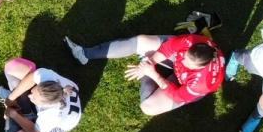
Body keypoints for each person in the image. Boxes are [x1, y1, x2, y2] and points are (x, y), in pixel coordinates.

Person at [64, 32, 225, 116]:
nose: (181, 61)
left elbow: (177, 95)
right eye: (185, 56)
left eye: (188, 64)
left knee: (148, 107)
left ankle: (148, 69)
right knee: (141, 41)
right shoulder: (192, 41)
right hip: (183, 70)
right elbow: (168, 48)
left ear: (200, 67)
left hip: (182, 86)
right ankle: (85, 54)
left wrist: (152, 73)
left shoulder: (202, 83)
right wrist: (150, 62)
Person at [0, 58, 82, 132]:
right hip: (51, 110)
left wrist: (12, 114)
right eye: (32, 91)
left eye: (34, 98)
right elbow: (32, 78)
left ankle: (21, 112)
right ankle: (22, 108)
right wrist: (11, 98)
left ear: (45, 105)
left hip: (56, 126)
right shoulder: (50, 79)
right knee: (12, 66)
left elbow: (34, 131)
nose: (30, 96)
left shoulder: (51, 116)